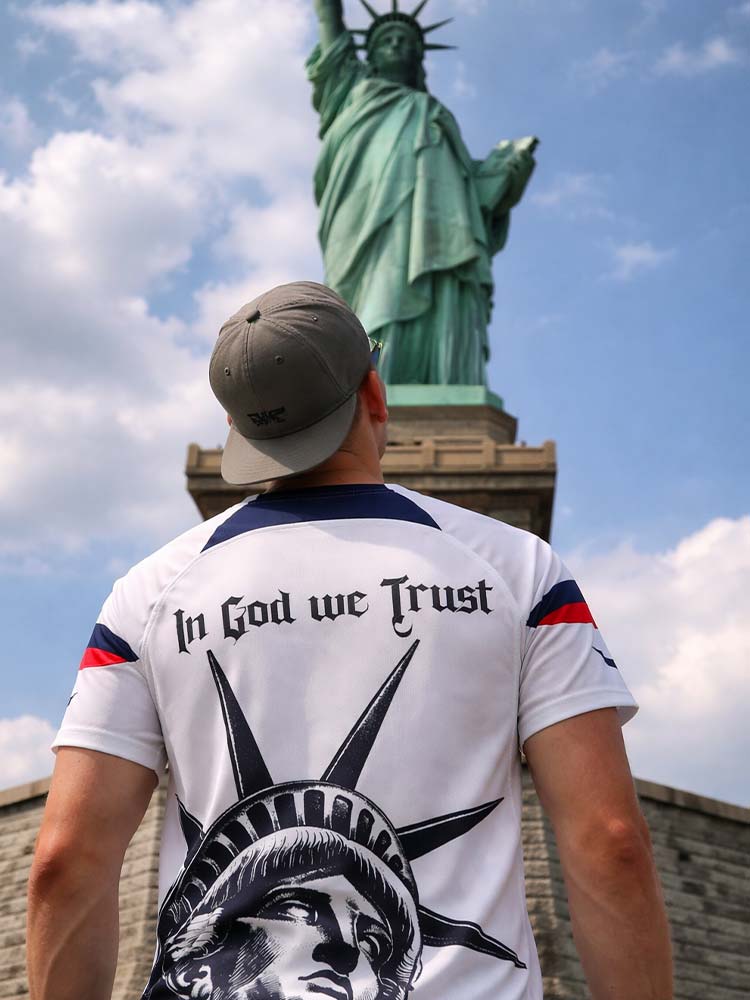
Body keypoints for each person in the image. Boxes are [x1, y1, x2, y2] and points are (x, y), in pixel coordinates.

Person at [27, 282, 673, 1000]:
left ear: (241, 430)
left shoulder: (146, 598)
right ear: (374, 391)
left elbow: (66, 862)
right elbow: (609, 842)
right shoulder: (520, 572)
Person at [308, 0, 537, 385]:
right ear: (372, 57)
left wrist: (506, 169)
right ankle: (367, 391)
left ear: (419, 59)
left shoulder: (433, 111)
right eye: (386, 40)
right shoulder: (350, 89)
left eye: (405, 41)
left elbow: (472, 190)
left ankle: (441, 385)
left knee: (441, 287)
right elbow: (329, 22)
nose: (397, 45)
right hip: (366, 225)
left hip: (439, 237)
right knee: (371, 301)